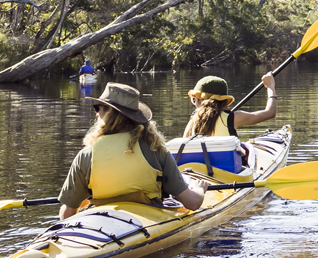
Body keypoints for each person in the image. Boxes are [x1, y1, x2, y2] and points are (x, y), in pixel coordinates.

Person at [57, 83, 203, 219]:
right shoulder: (156, 149)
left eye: (97, 108)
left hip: (102, 222)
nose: (96, 113)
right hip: (148, 222)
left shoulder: (85, 156)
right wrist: (199, 189)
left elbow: (66, 216)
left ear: (110, 114)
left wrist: (83, 200)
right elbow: (193, 203)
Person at [182, 74, 277, 138]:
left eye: (194, 100)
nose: (194, 103)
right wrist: (270, 87)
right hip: (228, 167)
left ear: (201, 100)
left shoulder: (193, 122)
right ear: (224, 101)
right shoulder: (234, 118)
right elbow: (270, 112)